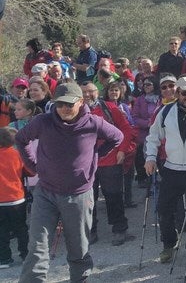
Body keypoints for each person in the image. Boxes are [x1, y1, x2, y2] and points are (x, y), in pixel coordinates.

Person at [16, 82, 123, 281]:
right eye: (60, 104)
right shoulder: (43, 122)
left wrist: (95, 156)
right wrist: (33, 166)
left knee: (78, 249)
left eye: (70, 104)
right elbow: (21, 139)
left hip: (78, 195)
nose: (65, 108)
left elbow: (117, 137)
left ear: (81, 102)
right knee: (37, 248)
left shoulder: (94, 123)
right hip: (45, 193)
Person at [144, 76, 186, 268]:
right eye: (185, 93)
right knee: (164, 209)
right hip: (171, 168)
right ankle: (168, 244)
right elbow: (153, 136)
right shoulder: (165, 111)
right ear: (178, 93)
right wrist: (150, 157)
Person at [82, 82, 136, 246]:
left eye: (90, 91)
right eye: (83, 92)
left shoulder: (110, 108)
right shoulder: (74, 111)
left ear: (97, 92)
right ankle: (90, 230)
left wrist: (122, 150)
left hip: (110, 159)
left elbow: (127, 129)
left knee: (114, 195)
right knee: (87, 198)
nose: (87, 95)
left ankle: (119, 229)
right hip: (85, 162)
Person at [0, 126, 29, 269]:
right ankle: (25, 255)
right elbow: (30, 171)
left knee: (2, 230)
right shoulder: (17, 154)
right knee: (21, 227)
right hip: (17, 198)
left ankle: (4, 259)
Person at [132, 76, 160, 187]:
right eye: (144, 85)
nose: (146, 87)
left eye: (148, 84)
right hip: (144, 134)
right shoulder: (140, 100)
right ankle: (144, 178)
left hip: (159, 132)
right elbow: (134, 117)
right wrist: (147, 123)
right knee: (142, 156)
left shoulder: (161, 99)